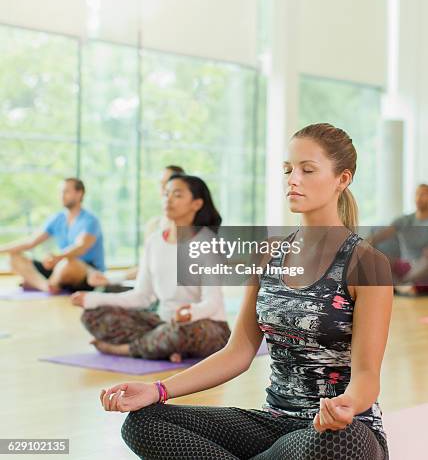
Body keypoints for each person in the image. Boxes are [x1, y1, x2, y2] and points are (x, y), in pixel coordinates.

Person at [100, 123, 393, 460]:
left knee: (346, 441)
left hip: (336, 433)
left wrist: (347, 405)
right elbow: (238, 351)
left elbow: (368, 374)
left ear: (343, 179)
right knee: (143, 421)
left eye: (307, 170)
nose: (292, 179)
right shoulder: (268, 253)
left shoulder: (368, 263)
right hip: (273, 426)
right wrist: (158, 389)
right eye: (288, 170)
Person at [71, 174, 230, 363]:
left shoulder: (208, 243)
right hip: (162, 323)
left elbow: (212, 303)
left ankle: (126, 349)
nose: (168, 199)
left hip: (205, 326)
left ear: (196, 204)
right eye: (166, 194)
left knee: (179, 332)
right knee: (93, 315)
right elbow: (141, 296)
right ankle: (163, 347)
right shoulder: (154, 241)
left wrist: (190, 314)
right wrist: (94, 298)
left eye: (177, 195)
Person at [87, 165, 185, 289]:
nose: (164, 189)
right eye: (162, 184)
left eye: (169, 183)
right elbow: (146, 267)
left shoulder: (196, 230)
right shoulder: (153, 226)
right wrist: (110, 278)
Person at [0, 178, 105, 293]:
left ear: (79, 193)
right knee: (13, 258)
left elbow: (81, 247)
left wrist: (57, 257)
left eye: (66, 192)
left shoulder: (90, 220)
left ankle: (44, 283)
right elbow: (30, 242)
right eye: (60, 192)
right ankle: (47, 287)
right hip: (59, 266)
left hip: (85, 271)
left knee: (68, 263)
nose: (61, 195)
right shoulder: (57, 218)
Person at [367, 183, 428, 294]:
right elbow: (380, 236)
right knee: (373, 255)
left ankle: (404, 285)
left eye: (423, 194)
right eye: (417, 194)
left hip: (423, 268)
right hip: (404, 266)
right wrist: (365, 244)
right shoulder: (404, 220)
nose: (419, 197)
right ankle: (404, 286)